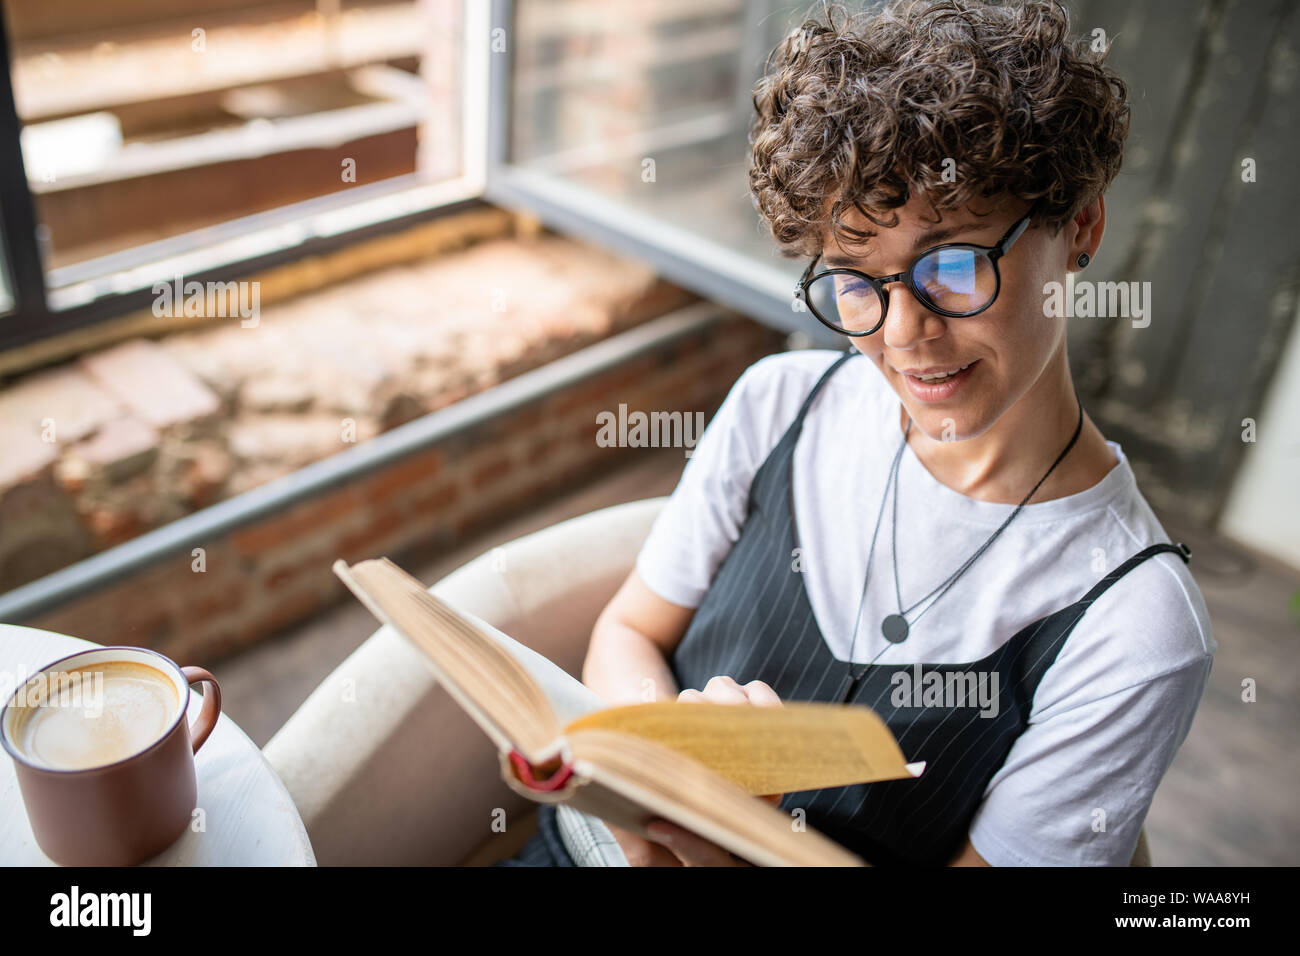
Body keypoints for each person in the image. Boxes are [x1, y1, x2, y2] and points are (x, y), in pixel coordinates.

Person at [502, 0, 1215, 867]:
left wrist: (718, 848)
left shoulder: (1133, 628)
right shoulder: (779, 405)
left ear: (1083, 229)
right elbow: (628, 634)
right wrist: (657, 772)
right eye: (855, 279)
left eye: (952, 264)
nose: (904, 332)